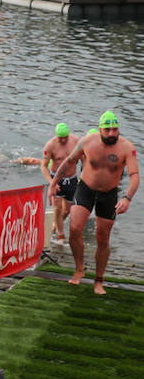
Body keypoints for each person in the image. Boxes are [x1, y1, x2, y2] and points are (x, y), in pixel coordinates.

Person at [50, 110, 139, 294]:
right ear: (100, 129)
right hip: (86, 189)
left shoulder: (126, 147)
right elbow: (68, 162)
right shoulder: (87, 142)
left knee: (103, 238)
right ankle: (79, 268)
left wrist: (127, 198)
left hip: (109, 194)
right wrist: (53, 184)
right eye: (108, 130)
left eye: (115, 129)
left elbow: (134, 175)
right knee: (74, 228)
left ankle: (99, 280)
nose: (112, 133)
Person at [42, 122, 81, 243]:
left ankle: (54, 226)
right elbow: (43, 167)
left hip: (72, 179)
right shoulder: (50, 145)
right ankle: (61, 236)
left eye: (66, 137)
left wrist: (84, 176)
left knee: (67, 210)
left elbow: (84, 158)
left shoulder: (75, 141)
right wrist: (52, 183)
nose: (64, 140)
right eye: (61, 138)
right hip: (56, 179)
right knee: (57, 209)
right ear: (56, 136)